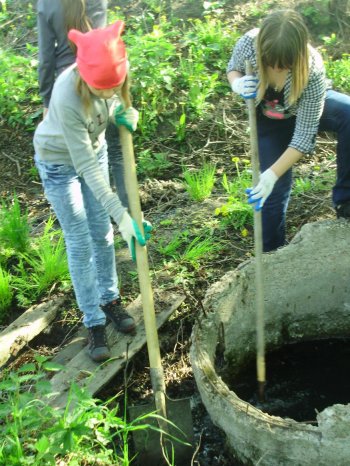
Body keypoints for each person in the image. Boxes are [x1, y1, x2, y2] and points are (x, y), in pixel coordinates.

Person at [33, 20, 148, 362]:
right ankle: (94, 320)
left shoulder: (114, 77)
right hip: (59, 164)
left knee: (103, 233)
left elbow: (113, 109)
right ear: (85, 77)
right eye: (102, 90)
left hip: (90, 152)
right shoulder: (67, 95)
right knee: (81, 239)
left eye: (114, 88)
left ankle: (110, 299)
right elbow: (86, 168)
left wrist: (125, 114)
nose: (109, 94)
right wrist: (123, 215)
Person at [227, 9, 350, 252]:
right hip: (270, 121)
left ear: (297, 58)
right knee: (271, 195)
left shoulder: (312, 65)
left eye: (284, 67)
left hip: (304, 109)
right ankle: (273, 256)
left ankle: (346, 203)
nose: (277, 72)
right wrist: (237, 83)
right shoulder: (248, 44)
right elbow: (233, 68)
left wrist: (271, 173)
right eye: (270, 64)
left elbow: (304, 134)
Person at [37, 0, 129, 208]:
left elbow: (45, 58)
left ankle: (87, 217)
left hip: (70, 89)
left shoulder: (47, 3)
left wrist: (47, 100)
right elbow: (104, 42)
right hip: (105, 79)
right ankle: (129, 214)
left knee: (78, 162)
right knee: (112, 150)